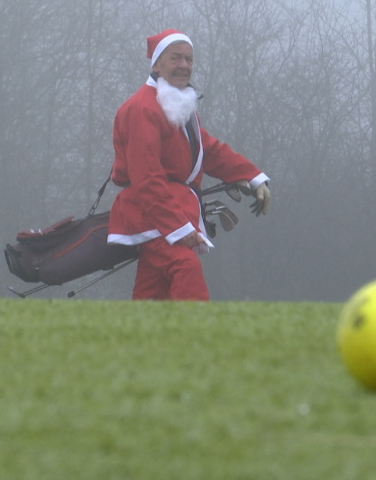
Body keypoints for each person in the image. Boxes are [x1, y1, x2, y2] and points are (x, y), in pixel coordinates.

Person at [107, 29, 270, 301]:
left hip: (171, 213)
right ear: (156, 64)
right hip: (154, 215)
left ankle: (139, 341)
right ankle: (196, 339)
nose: (184, 65)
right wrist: (178, 229)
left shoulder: (176, 103)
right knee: (185, 266)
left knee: (152, 291)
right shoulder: (141, 109)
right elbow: (146, 178)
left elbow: (208, 149)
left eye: (189, 59)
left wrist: (253, 176)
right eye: (176, 58)